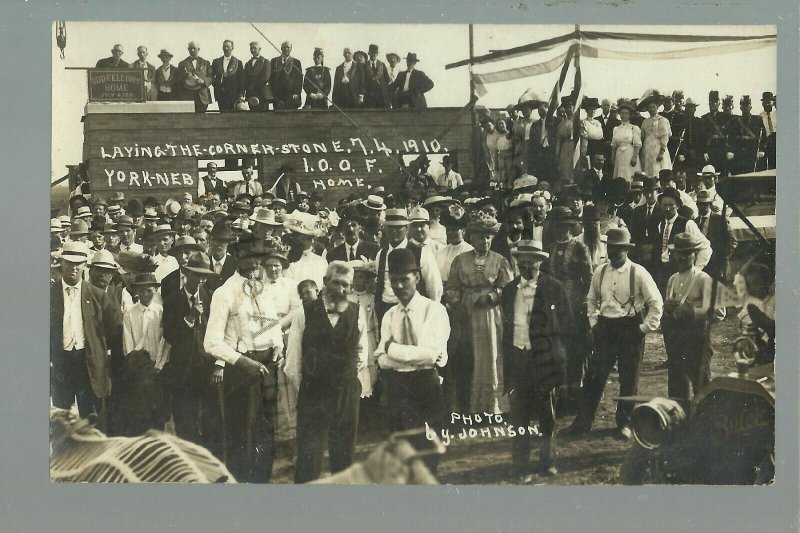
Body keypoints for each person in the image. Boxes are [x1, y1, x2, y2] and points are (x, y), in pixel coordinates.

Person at [565, 228, 663, 439]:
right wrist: (593, 322)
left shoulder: (638, 272)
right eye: (611, 247)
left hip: (630, 329)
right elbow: (591, 299)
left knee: (629, 379)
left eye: (619, 249)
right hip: (605, 329)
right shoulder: (600, 271)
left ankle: (625, 424)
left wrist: (644, 328)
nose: (614, 252)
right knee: (594, 377)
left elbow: (656, 303)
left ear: (627, 250)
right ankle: (583, 421)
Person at [203, 242, 285, 482]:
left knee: (266, 431)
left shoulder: (264, 290)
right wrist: (242, 362)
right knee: (242, 435)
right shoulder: (225, 293)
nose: (255, 265)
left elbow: (272, 325)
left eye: (259, 259)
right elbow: (212, 342)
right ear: (237, 257)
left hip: (267, 366)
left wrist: (278, 346)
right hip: (241, 369)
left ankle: (262, 485)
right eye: (249, 258)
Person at [285, 262, 368, 483]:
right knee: (309, 457)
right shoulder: (304, 312)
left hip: (346, 393)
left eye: (346, 285)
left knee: (344, 457)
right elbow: (293, 360)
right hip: (314, 393)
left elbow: (361, 353)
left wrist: (344, 377)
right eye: (336, 283)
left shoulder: (357, 313)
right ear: (324, 282)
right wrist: (309, 387)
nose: (341, 289)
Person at [501, 240, 573, 481]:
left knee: (546, 416)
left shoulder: (554, 288)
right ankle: (519, 462)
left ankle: (548, 462)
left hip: (544, 360)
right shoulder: (510, 290)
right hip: (518, 357)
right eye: (522, 262)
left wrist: (559, 365)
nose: (526, 266)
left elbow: (567, 327)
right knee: (518, 415)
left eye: (531, 261)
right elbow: (507, 328)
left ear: (540, 262)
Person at [374, 248, 450, 475]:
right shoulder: (390, 315)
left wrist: (393, 349)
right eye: (393, 281)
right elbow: (381, 360)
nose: (398, 286)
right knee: (403, 450)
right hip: (399, 387)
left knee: (428, 449)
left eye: (404, 280)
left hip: (426, 384)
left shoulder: (433, 310)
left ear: (416, 277)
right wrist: (398, 354)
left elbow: (431, 354)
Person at [445, 213, 513, 414]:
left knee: (491, 355)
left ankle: (492, 406)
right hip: (466, 314)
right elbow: (451, 287)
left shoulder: (500, 260)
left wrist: (492, 297)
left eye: (488, 237)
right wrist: (457, 305)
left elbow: (508, 287)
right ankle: (468, 406)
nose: (484, 241)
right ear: (471, 238)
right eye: (480, 237)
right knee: (467, 356)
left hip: (490, 315)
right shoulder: (460, 260)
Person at [161, 252, 219, 450]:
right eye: (196, 275)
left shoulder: (210, 297)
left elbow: (216, 332)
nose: (201, 280)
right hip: (182, 369)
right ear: (186, 273)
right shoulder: (172, 300)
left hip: (206, 367)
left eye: (204, 276)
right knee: (185, 417)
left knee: (209, 418)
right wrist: (190, 318)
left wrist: (217, 364)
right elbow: (169, 335)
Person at [51, 242, 113, 420]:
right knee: (62, 420)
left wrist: (99, 355)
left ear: (85, 265)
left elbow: (110, 333)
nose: (73, 267)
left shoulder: (97, 295)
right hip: (62, 363)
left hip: (88, 364)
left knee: (91, 419)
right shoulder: (50, 294)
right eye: (69, 262)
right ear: (62, 263)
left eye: (78, 263)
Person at [543, 207, 592, 400]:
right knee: (556, 342)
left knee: (576, 345)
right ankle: (559, 386)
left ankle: (576, 386)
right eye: (558, 226)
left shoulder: (580, 248)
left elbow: (587, 276)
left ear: (571, 226)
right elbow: (545, 276)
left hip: (575, 301)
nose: (561, 230)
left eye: (565, 226)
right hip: (554, 300)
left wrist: (583, 301)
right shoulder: (549, 249)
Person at [661, 233, 713, 400]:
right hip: (676, 338)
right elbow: (669, 311)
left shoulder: (703, 279)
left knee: (700, 384)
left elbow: (718, 312)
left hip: (697, 338)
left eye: (688, 253)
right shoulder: (672, 279)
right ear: (673, 255)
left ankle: (703, 423)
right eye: (679, 253)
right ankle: (680, 422)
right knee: (677, 384)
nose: (683, 257)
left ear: (695, 254)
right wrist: (667, 309)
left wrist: (692, 311)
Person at [121, 272, 170, 436]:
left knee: (158, 412)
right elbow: (128, 345)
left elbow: (166, 340)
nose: (145, 294)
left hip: (159, 368)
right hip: (139, 370)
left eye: (149, 290)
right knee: (141, 412)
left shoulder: (161, 312)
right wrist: (136, 366)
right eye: (141, 291)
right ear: (136, 292)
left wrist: (160, 365)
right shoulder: (130, 314)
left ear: (155, 290)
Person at [374, 208, 443, 322]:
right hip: (386, 312)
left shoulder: (421, 253)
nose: (394, 231)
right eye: (390, 227)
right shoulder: (381, 254)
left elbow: (434, 287)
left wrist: (430, 315)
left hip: (414, 312)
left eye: (398, 227)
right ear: (385, 229)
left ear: (406, 228)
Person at [650, 187, 711, 294]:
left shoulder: (688, 224)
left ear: (678, 206)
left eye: (671, 205)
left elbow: (706, 247)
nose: (667, 209)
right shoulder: (661, 225)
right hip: (663, 274)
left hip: (681, 274)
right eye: (664, 205)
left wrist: (696, 270)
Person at [694, 189, 737, 282]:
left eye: (706, 204)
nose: (703, 207)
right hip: (702, 267)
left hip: (718, 267)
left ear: (710, 204)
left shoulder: (721, 220)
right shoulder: (695, 222)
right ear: (697, 205)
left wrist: (723, 258)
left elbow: (733, 241)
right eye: (700, 204)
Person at [284, 213, 328, 288]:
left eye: (310, 238)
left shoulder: (320, 262)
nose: (311, 242)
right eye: (302, 238)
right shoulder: (287, 261)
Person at [639, 91, 673, 177]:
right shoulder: (645, 122)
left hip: (658, 148)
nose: (651, 109)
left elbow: (665, 136)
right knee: (648, 171)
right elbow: (642, 136)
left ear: (657, 107)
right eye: (649, 107)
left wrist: (661, 152)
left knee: (658, 170)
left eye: (653, 107)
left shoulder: (662, 120)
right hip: (647, 149)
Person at [177, 42, 213, 113]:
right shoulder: (182, 64)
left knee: (201, 119)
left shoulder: (206, 63)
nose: (192, 50)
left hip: (202, 97)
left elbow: (211, 77)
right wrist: (185, 76)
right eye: (190, 48)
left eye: (194, 48)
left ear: (198, 49)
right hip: (187, 96)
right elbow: (178, 80)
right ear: (188, 49)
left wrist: (203, 81)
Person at [611, 100, 642, 182]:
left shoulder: (634, 128)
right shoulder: (616, 129)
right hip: (619, 155)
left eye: (626, 113)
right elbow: (614, 145)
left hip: (629, 154)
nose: (623, 115)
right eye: (622, 113)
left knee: (629, 175)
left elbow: (637, 144)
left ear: (629, 115)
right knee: (619, 176)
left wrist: (634, 157)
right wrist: (613, 158)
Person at [205, 221, 238, 292]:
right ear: (209, 241)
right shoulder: (203, 262)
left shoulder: (235, 265)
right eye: (214, 240)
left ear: (228, 243)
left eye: (221, 241)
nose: (216, 244)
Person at [269, 41, 303, 110]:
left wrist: (296, 93)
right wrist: (274, 93)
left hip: (292, 96)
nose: (286, 49)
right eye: (284, 47)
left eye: (288, 47)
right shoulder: (274, 61)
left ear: (291, 49)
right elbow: (271, 79)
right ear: (281, 48)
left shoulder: (296, 62)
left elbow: (299, 79)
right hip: (278, 96)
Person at [212, 39, 243, 112]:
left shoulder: (238, 62)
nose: (226, 48)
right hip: (220, 95)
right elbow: (211, 77)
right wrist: (218, 86)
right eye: (224, 47)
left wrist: (241, 94)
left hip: (233, 95)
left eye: (228, 47)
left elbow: (241, 80)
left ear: (232, 48)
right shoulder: (216, 62)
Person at [362, 44, 392, 109]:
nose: (373, 55)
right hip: (369, 95)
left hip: (382, 96)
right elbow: (362, 80)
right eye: (371, 53)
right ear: (368, 53)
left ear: (377, 53)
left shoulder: (382, 65)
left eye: (375, 53)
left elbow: (387, 80)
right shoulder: (364, 66)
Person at [554, 99, 576, 185]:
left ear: (573, 108)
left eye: (570, 108)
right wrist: (557, 153)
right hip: (566, 146)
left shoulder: (578, 121)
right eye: (567, 108)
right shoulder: (562, 123)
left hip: (575, 145)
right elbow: (559, 139)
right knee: (565, 167)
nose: (569, 110)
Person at [759, 91, 776, 169]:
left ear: (773, 102)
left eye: (769, 102)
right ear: (762, 103)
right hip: (766, 144)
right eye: (765, 102)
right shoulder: (759, 117)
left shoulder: (778, 114)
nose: (767, 104)